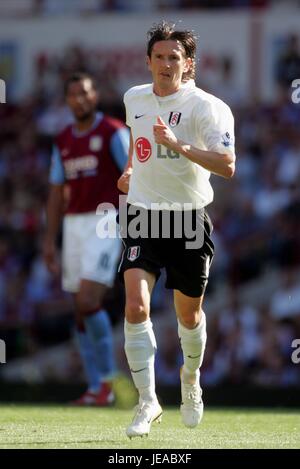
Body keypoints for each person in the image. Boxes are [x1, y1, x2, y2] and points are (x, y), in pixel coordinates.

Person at [117, 21, 236, 437]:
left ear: (189, 65)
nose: (167, 64)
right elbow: (138, 140)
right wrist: (131, 168)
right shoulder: (134, 98)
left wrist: (180, 146)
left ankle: (190, 379)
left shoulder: (208, 107)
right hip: (142, 214)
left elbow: (227, 165)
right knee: (136, 306)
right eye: (160, 57)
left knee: (189, 317)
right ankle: (147, 401)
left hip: (188, 217)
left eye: (175, 58)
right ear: (148, 61)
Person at [43, 72, 129, 405]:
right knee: (79, 311)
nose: (80, 98)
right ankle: (96, 389)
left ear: (95, 97)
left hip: (106, 219)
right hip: (74, 224)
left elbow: (132, 179)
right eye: (73, 94)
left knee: (88, 300)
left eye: (85, 93)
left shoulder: (113, 133)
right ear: (67, 100)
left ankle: (107, 379)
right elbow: (55, 191)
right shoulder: (62, 139)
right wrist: (50, 239)